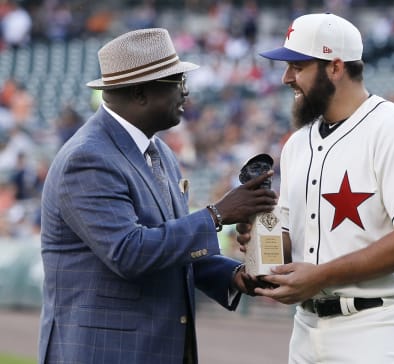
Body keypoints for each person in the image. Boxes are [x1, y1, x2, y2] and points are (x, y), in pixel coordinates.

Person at [38, 28, 277, 364]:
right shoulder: (87, 158)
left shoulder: (158, 151)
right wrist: (217, 216)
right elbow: (129, 253)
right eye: (176, 81)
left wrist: (234, 276)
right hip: (104, 354)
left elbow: (171, 248)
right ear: (140, 93)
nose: (186, 91)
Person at [236, 13, 394, 363]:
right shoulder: (297, 143)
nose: (287, 77)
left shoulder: (393, 129)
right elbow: (295, 239)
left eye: (298, 66)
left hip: (378, 328)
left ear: (335, 67)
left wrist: (319, 276)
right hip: (306, 329)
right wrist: (263, 246)